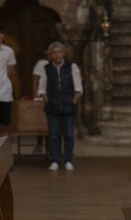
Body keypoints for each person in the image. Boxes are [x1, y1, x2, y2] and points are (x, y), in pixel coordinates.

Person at [37, 41, 83, 171]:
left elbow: (78, 88)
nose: (57, 55)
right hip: (52, 108)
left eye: (59, 52)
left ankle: (68, 160)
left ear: (63, 53)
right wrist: (47, 99)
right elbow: (42, 89)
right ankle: (55, 160)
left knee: (68, 134)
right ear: (51, 54)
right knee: (53, 135)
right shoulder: (47, 69)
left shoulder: (71, 67)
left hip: (68, 106)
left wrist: (73, 101)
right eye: (54, 52)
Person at [31, 40, 52, 155]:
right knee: (40, 123)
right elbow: (35, 81)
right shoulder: (41, 63)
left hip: (52, 97)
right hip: (41, 97)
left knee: (49, 125)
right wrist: (35, 96)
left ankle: (50, 149)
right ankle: (39, 145)